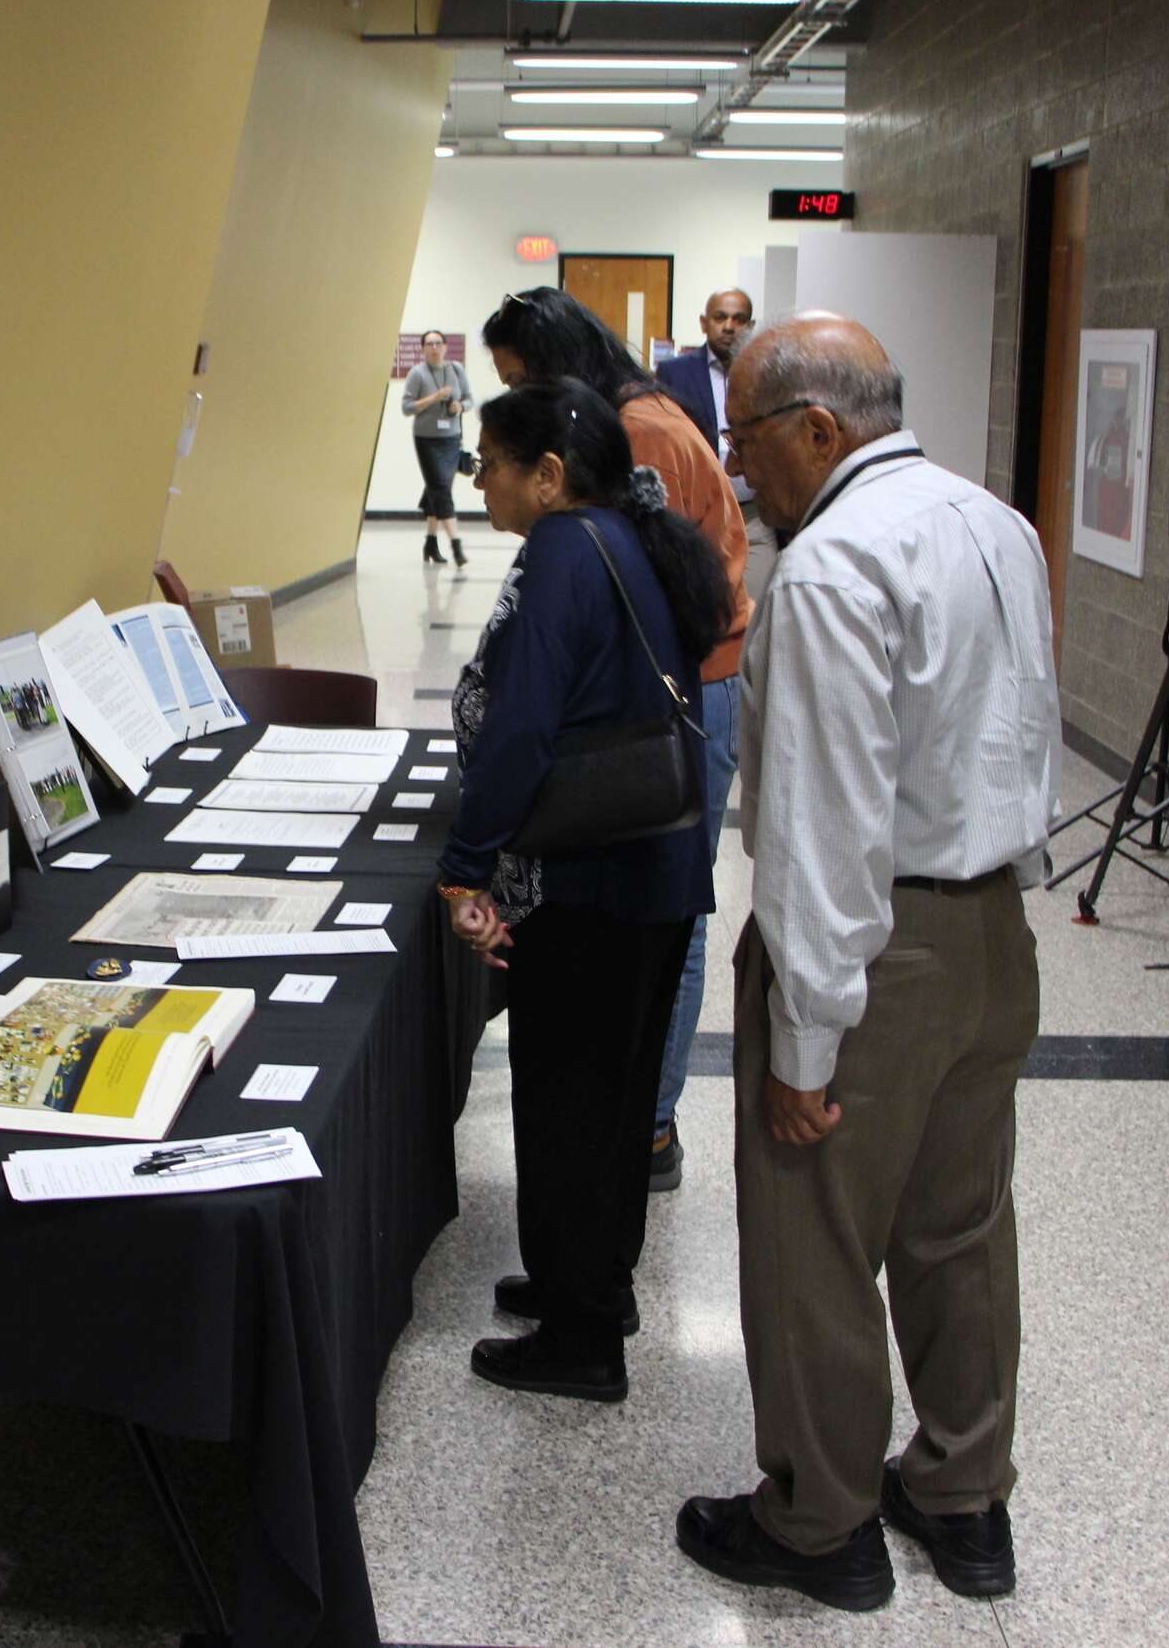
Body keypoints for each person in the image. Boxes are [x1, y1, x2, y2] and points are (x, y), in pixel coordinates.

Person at [674, 314, 1057, 1611]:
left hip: (879, 949)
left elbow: (827, 829)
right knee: (959, 1226)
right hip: (995, 934)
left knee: (814, 1236)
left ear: (819, 429)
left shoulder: (832, 568)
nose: (738, 474)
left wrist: (805, 1037)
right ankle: (963, 1495)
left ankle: (818, 1520)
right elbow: (1025, 732)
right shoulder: (996, 523)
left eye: (745, 442)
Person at [436, 376, 729, 1404]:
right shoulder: (629, 534)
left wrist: (467, 865)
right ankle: (592, 1283)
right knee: (610, 1099)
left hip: (592, 878)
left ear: (546, 474)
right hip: (652, 870)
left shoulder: (562, 551)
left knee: (564, 1099)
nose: (479, 481)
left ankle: (579, 1337)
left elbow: (520, 727)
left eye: (489, 463)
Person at [480, 285, 750, 1192]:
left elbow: (650, 597)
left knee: (670, 904)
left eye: (520, 382)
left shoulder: (647, 431)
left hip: (690, 695)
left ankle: (651, 1123)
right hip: (664, 695)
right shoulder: (619, 428)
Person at [657, 287, 754, 465]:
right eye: (720, 317)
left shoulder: (762, 374)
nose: (728, 327)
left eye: (739, 320)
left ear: (750, 327)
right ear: (704, 323)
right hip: (695, 477)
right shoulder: (674, 373)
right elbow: (664, 437)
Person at [401, 329, 472, 565]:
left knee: (437, 489)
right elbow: (407, 407)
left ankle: (430, 543)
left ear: (445, 347)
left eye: (438, 343)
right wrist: (434, 398)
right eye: (429, 344)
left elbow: (470, 399)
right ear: (422, 348)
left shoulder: (456, 370)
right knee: (441, 488)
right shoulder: (417, 374)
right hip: (426, 439)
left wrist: (460, 406)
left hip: (451, 438)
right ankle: (456, 545)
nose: (434, 348)